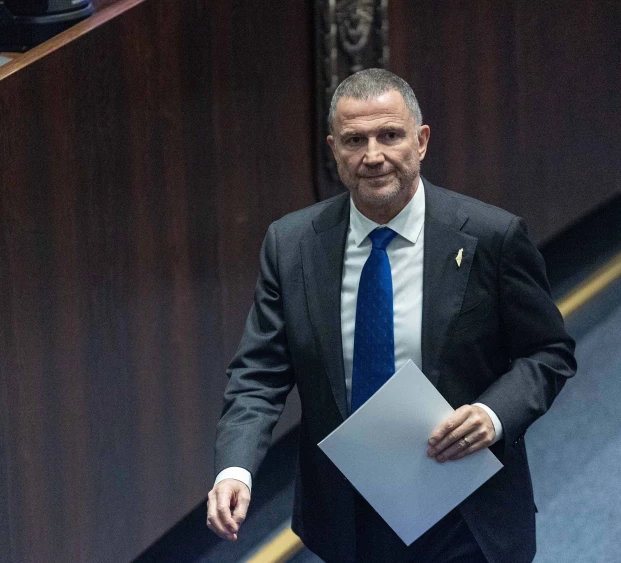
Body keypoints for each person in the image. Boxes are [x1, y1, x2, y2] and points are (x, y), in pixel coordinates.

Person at [206, 68, 576, 563]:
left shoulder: (491, 236)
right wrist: (235, 470)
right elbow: (258, 373)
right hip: (348, 518)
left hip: (465, 514)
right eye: (355, 140)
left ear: (421, 142)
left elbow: (548, 352)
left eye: (390, 135)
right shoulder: (292, 245)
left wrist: (492, 416)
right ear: (334, 149)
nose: (373, 156)